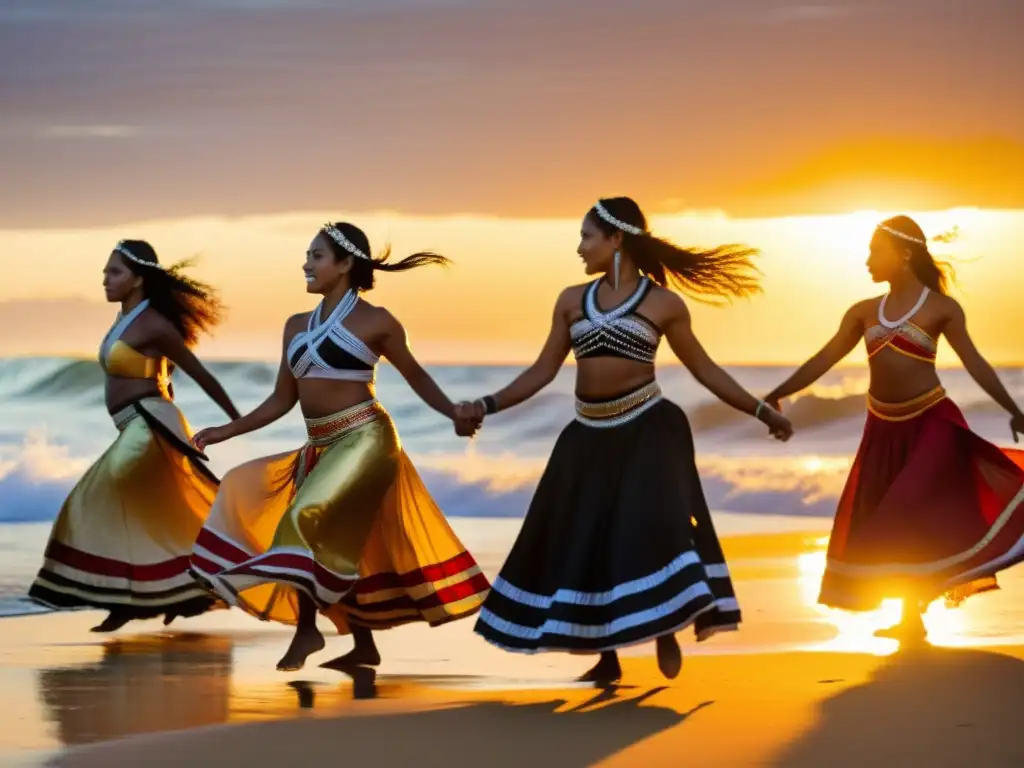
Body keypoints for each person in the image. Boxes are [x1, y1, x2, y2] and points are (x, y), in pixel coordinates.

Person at [461, 197, 792, 684]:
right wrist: (486, 405)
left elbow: (704, 370)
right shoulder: (571, 300)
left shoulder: (663, 304)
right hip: (587, 436)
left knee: (648, 527)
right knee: (589, 536)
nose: (579, 248)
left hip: (649, 430)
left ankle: (665, 628)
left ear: (617, 240)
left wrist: (761, 410)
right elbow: (542, 371)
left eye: (587, 237)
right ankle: (607, 655)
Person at [189, 222, 489, 671]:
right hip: (320, 444)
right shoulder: (295, 327)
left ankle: (309, 630)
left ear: (346, 264)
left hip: (367, 438)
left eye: (316, 256)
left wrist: (453, 413)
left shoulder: (377, 321)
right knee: (344, 541)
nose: (306, 264)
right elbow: (281, 400)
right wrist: (226, 430)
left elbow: (417, 375)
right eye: (307, 256)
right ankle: (362, 645)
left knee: (303, 518)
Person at [763, 215, 1024, 641]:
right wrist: (777, 392)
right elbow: (822, 359)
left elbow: (975, 362)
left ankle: (913, 613)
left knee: (905, 508)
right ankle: (909, 619)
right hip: (882, 427)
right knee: (888, 515)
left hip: (932, 422)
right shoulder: (863, 312)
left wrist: (1013, 409)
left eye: (875, 251)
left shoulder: (942, 308)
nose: (867, 261)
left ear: (903, 255)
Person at [28, 240, 240, 632]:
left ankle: (131, 599)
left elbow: (199, 374)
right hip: (134, 423)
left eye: (115, 272)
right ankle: (182, 594)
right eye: (105, 272)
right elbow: (158, 372)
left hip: (150, 424)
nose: (105, 280)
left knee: (94, 496)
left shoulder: (154, 324)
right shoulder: (124, 319)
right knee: (155, 515)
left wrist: (236, 423)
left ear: (139, 278)